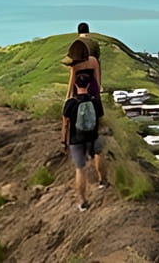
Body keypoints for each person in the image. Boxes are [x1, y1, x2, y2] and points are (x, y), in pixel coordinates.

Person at [61, 70, 106, 212]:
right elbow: (100, 120)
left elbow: (65, 124)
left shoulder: (70, 103)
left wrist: (64, 141)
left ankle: (83, 202)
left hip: (76, 140)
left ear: (75, 84)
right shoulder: (95, 101)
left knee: (80, 169)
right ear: (88, 84)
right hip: (93, 137)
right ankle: (103, 182)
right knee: (99, 154)